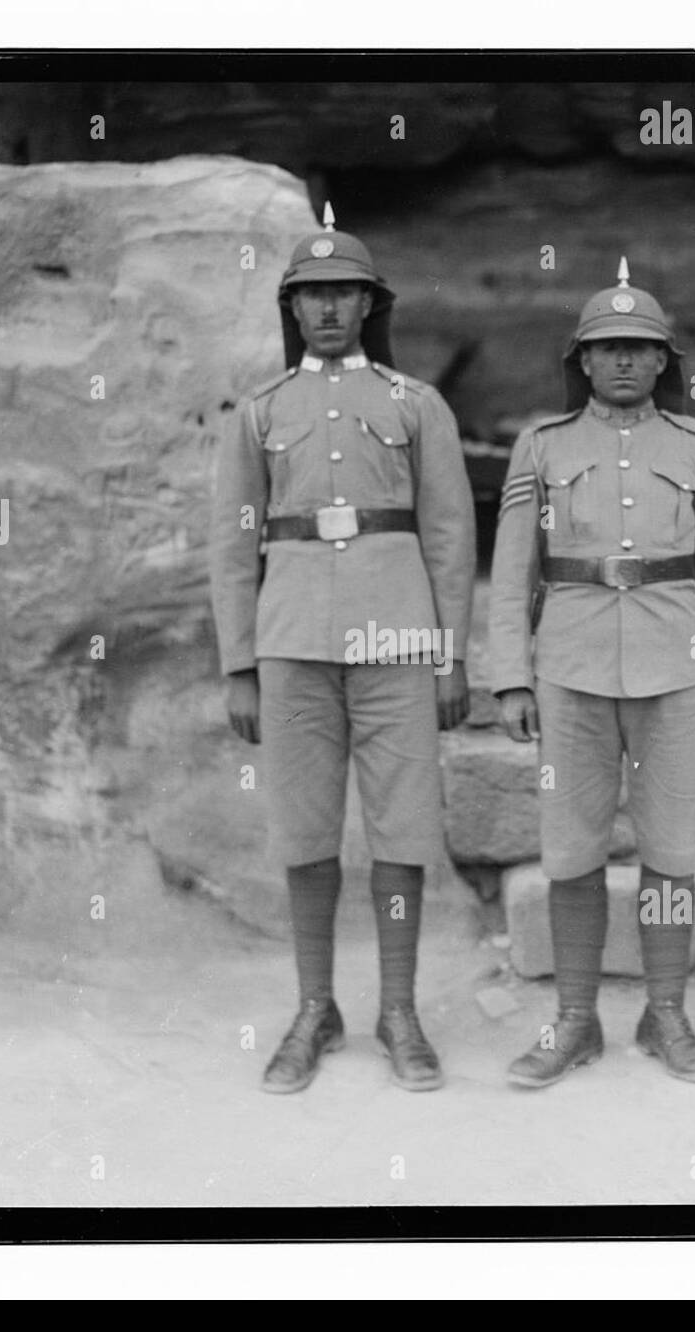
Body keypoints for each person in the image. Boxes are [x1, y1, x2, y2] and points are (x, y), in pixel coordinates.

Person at [209, 206, 476, 1093]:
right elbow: (232, 543)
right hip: (291, 643)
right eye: (312, 295)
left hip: (398, 634)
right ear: (293, 307)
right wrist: (240, 664)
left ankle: (397, 1010)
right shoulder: (260, 413)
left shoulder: (416, 405)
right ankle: (314, 1007)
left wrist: (451, 654)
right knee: (303, 829)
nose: (328, 309)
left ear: (368, 304)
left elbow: (447, 536)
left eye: (344, 294)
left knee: (401, 827)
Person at [488, 260, 695, 1087]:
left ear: (666, 360)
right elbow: (511, 570)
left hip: (673, 667)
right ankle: (573, 1020)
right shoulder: (543, 445)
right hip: (570, 663)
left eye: (642, 347)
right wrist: (512, 678)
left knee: (672, 845)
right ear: (584, 360)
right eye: (609, 348)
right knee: (570, 847)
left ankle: (665, 1015)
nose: (626, 361)